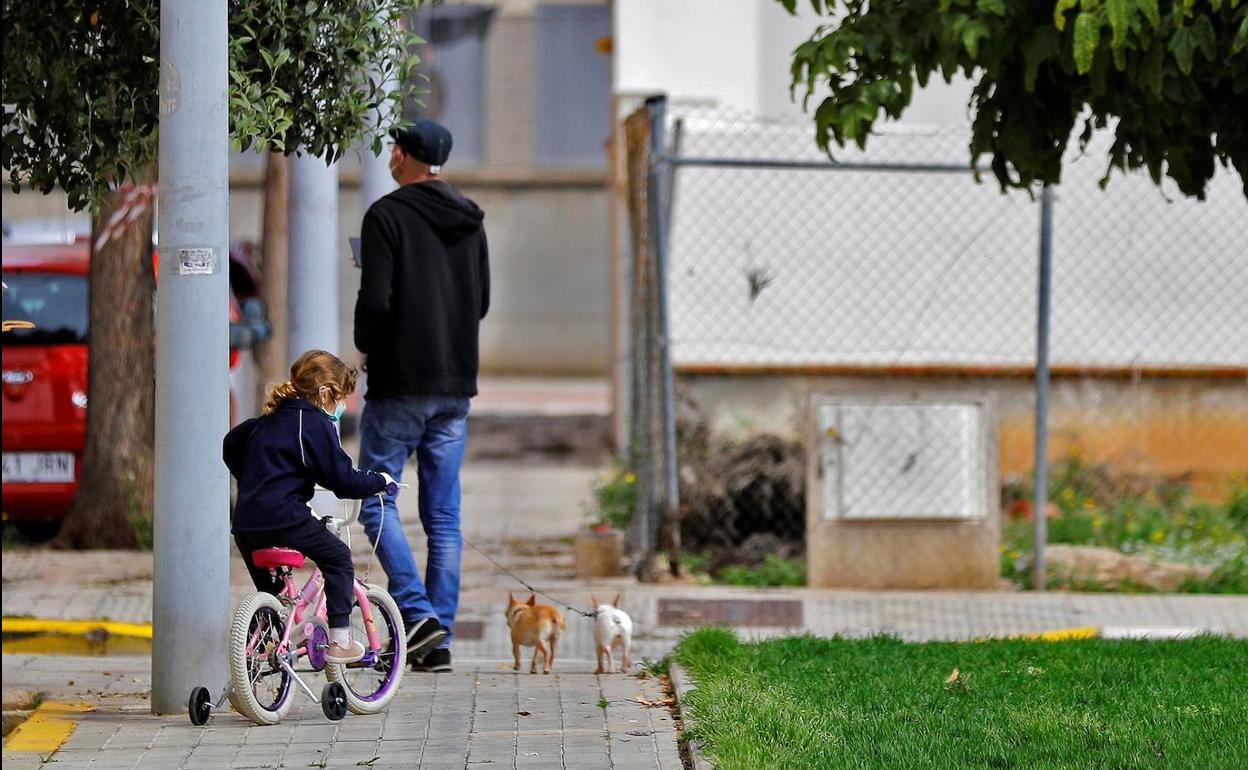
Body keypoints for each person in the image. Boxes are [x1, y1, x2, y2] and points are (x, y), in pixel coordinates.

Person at [353, 118, 489, 673]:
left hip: (399, 385)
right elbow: (479, 303)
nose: (389, 155)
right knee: (443, 517)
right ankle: (440, 639)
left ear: (404, 157)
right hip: (455, 385)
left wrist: (366, 343)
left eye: (393, 148)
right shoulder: (470, 220)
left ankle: (416, 613)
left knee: (374, 501)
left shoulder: (386, 216)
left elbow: (377, 304)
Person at [223, 349, 396, 664]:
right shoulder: (313, 422)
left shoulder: (267, 421)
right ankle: (341, 641)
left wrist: (252, 479)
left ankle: (265, 651)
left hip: (247, 522)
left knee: (275, 597)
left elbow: (231, 443)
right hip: (285, 517)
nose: (340, 406)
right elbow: (342, 479)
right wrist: (379, 482)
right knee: (339, 559)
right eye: (340, 397)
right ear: (325, 392)